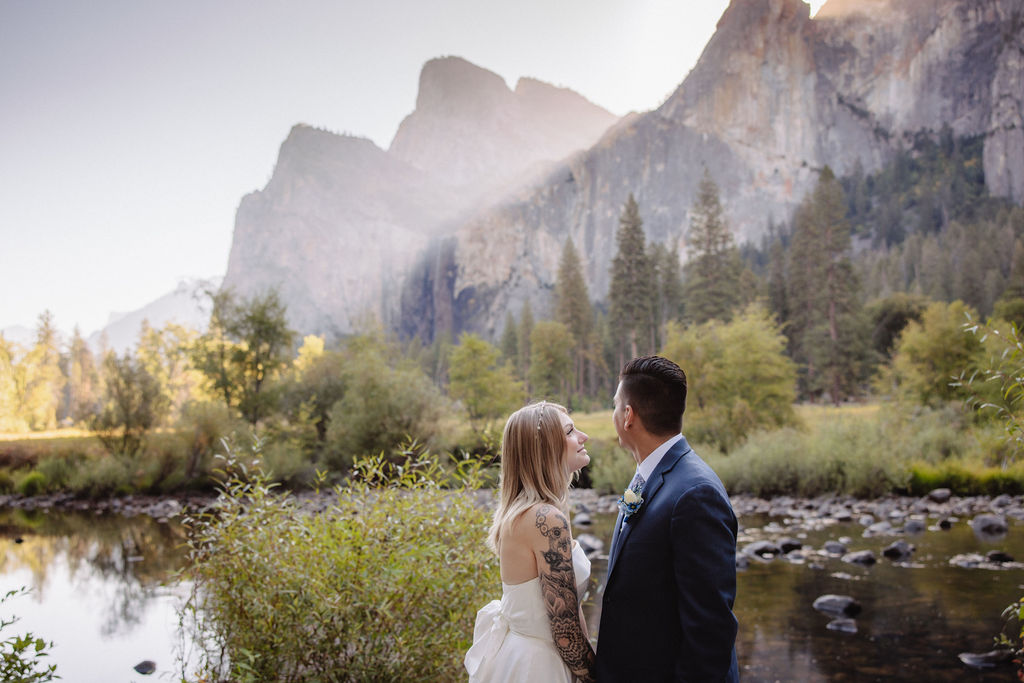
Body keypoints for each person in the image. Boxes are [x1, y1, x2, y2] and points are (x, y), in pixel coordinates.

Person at [596, 355, 739, 682]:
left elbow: (710, 630)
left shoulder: (694, 494)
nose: (614, 414)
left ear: (628, 416)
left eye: (616, 406)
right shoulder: (653, 476)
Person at [465, 401, 596, 683]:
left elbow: (570, 609)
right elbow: (565, 630)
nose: (583, 436)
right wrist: (596, 676)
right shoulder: (545, 519)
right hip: (538, 667)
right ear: (545, 447)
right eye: (571, 431)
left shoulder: (544, 510)